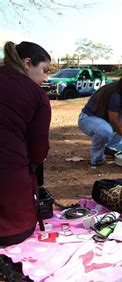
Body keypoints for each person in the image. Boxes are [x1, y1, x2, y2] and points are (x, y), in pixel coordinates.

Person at [0, 41, 52, 245]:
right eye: (45, 71)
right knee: (17, 230)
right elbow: (38, 153)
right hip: (10, 212)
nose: (46, 78)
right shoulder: (38, 96)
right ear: (28, 63)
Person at [78, 68, 122, 166]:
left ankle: (113, 148)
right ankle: (97, 159)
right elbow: (115, 122)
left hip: (106, 122)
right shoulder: (116, 94)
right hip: (88, 119)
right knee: (104, 130)